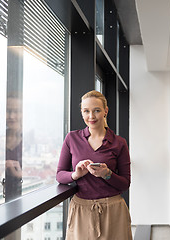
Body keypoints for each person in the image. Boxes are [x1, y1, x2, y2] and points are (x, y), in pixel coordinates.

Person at [56, 90, 132, 240]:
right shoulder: (72, 138)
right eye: (86, 111)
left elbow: (125, 184)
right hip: (81, 210)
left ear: (105, 111)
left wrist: (107, 174)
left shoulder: (119, 142)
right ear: (82, 113)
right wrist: (76, 174)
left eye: (96, 110)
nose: (91, 116)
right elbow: (60, 175)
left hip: (113, 210)